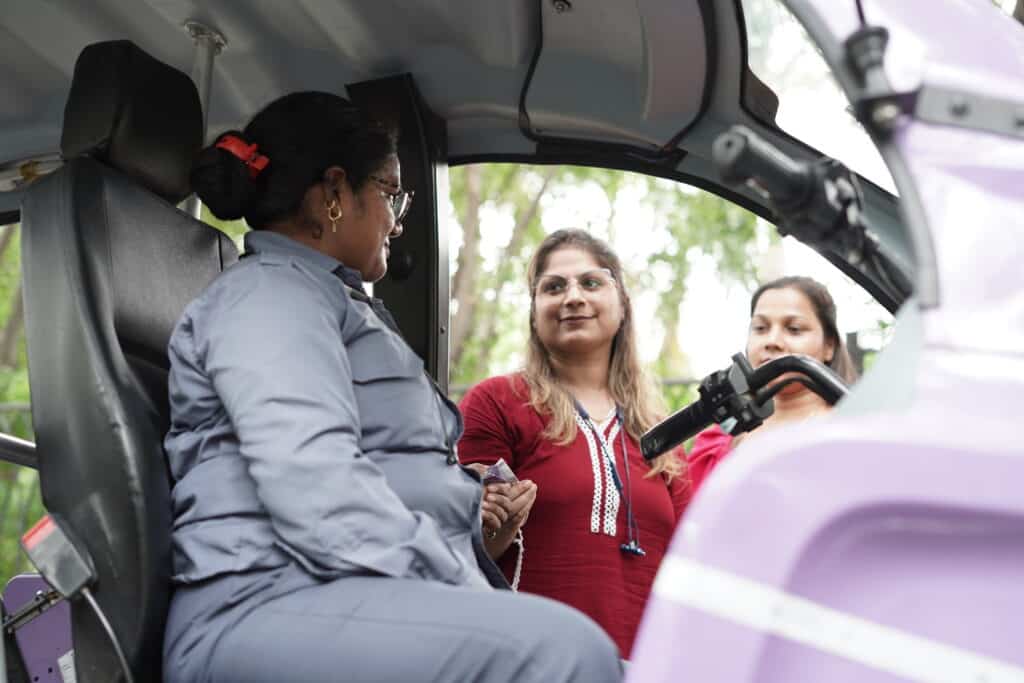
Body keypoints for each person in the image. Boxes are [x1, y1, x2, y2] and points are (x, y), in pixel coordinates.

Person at [161, 92, 621, 683]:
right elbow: (315, 485)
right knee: (564, 652)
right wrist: (460, 583)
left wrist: (462, 504)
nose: (398, 218)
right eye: (389, 191)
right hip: (258, 608)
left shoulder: (330, 300)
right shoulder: (269, 297)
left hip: (334, 594)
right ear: (332, 194)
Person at [458, 229, 691, 659]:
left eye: (590, 282)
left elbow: (688, 574)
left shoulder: (663, 434)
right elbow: (456, 554)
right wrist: (495, 528)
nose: (572, 297)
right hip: (530, 661)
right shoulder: (496, 403)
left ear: (622, 305)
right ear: (534, 313)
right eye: (553, 287)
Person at [686, 275, 859, 494]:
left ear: (829, 346)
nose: (772, 341)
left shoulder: (857, 430)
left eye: (794, 329)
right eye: (760, 328)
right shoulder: (717, 441)